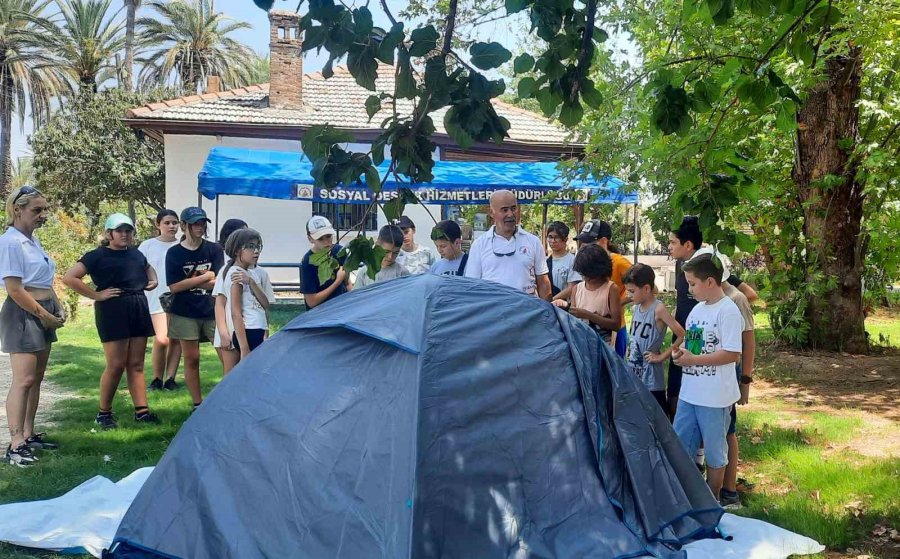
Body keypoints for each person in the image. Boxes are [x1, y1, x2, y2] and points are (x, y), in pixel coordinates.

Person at [63, 214, 160, 429]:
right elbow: (69, 278)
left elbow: (147, 268)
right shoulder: (96, 256)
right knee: (116, 364)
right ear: (109, 234)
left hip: (138, 306)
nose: (124, 235)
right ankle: (104, 413)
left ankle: (142, 412)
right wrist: (96, 295)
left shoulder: (136, 254)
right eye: (119, 231)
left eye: (128, 231)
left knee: (136, 364)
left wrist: (153, 280)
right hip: (112, 309)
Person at [1, 186, 65, 466]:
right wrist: (44, 315)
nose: (43, 215)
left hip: (43, 310)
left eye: (44, 210)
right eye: (36, 210)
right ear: (17, 210)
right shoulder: (11, 242)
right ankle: (15, 443)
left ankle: (28, 433)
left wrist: (57, 305)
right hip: (23, 313)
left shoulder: (33, 241)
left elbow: (43, 281)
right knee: (24, 379)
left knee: (37, 377)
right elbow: (15, 289)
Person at [671, 253, 743, 503]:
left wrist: (694, 360)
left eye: (692, 284)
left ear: (710, 282)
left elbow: (732, 353)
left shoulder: (729, 311)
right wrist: (681, 355)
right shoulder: (696, 311)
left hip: (715, 398)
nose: (689, 289)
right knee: (680, 446)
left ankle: (712, 499)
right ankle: (685, 499)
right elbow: (694, 346)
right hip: (689, 393)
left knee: (715, 453)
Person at [165, 207, 223, 411]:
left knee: (226, 352)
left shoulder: (214, 249)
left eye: (202, 223)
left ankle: (227, 400)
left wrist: (190, 282)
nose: (200, 227)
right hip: (184, 311)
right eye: (195, 223)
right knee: (192, 358)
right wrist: (204, 277)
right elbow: (173, 286)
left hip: (212, 309)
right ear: (184, 226)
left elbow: (218, 282)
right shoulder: (174, 253)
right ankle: (198, 404)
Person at [465, 190, 552, 300]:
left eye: (513, 208)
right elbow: (472, 287)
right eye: (504, 210)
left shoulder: (533, 241)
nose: (510, 214)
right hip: (494, 312)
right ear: (491, 212)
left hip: (527, 312)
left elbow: (543, 282)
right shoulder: (479, 245)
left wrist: (549, 312)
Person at [623, 264, 685, 412]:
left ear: (646, 288)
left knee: (657, 417)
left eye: (632, 291)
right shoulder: (635, 308)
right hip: (634, 372)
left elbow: (681, 334)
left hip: (651, 378)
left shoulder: (659, 309)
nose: (629, 295)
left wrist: (662, 356)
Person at [213, 228, 275, 373]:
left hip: (256, 329)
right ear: (236, 250)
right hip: (248, 331)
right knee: (242, 378)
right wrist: (244, 348)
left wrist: (252, 282)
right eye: (251, 247)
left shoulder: (247, 275)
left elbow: (265, 305)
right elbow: (236, 313)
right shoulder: (235, 274)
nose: (256, 251)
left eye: (257, 247)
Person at [721, 274, 757, 509]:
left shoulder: (737, 299)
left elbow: (748, 341)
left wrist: (745, 380)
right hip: (709, 377)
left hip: (729, 373)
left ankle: (730, 490)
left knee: (728, 430)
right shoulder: (707, 299)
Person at [574, 219, 632, 357]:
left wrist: (617, 303)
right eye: (583, 242)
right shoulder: (584, 263)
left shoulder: (619, 262)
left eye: (590, 242)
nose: (585, 246)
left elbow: (647, 287)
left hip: (612, 334)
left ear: (604, 241)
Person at [139, 209, 182, 391]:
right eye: (167, 223)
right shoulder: (147, 246)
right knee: (162, 338)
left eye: (175, 222)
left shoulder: (183, 245)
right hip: (156, 298)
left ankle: (170, 378)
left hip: (179, 296)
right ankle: (157, 378)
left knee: (176, 338)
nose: (172, 226)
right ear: (158, 225)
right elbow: (139, 269)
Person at [552, 244, 622, 346]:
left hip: (603, 348)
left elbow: (616, 324)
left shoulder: (611, 289)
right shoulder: (577, 289)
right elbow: (574, 320)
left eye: (588, 274)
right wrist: (565, 308)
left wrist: (588, 315)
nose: (585, 278)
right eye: (582, 274)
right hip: (582, 346)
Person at [300, 216, 350, 309]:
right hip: (321, 314)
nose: (326, 241)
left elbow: (347, 283)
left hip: (343, 309)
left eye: (328, 236)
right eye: (320, 238)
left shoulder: (339, 251)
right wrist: (337, 282)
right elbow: (311, 302)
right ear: (310, 239)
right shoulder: (307, 262)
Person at [545, 221, 580, 295]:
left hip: (564, 304)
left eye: (557, 237)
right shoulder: (545, 261)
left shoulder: (573, 261)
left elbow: (572, 288)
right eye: (550, 237)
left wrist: (552, 301)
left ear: (566, 239)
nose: (553, 241)